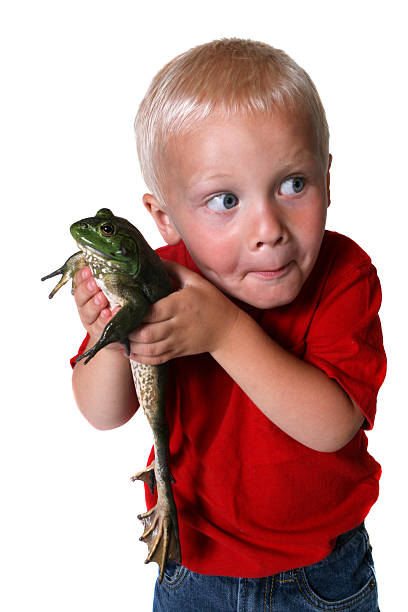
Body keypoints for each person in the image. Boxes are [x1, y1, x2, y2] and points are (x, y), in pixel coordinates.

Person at [71, 39, 386, 611]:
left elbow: (332, 425)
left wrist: (226, 332)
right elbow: (102, 412)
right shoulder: (164, 280)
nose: (268, 227)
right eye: (224, 199)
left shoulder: (345, 277)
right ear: (166, 219)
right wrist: (107, 341)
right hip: (191, 566)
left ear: (328, 177)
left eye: (294, 184)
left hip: (321, 576)